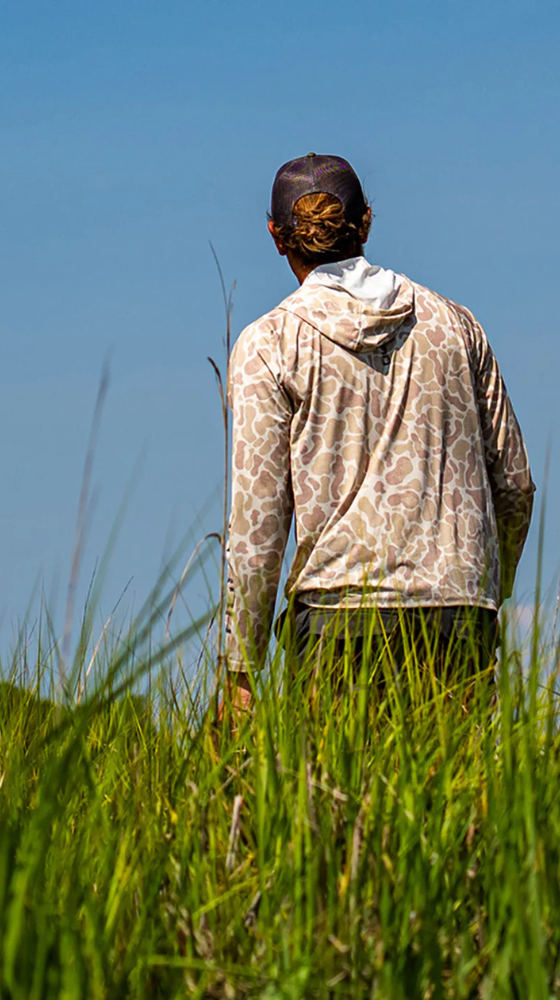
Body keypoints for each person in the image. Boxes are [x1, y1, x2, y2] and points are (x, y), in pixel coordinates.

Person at [222, 153, 535, 712]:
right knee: (458, 798)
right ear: (366, 222)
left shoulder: (268, 345)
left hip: (335, 624)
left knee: (337, 799)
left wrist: (241, 668)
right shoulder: (457, 326)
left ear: (275, 236)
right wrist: (490, 585)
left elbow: (258, 521)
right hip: (458, 615)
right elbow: (513, 482)